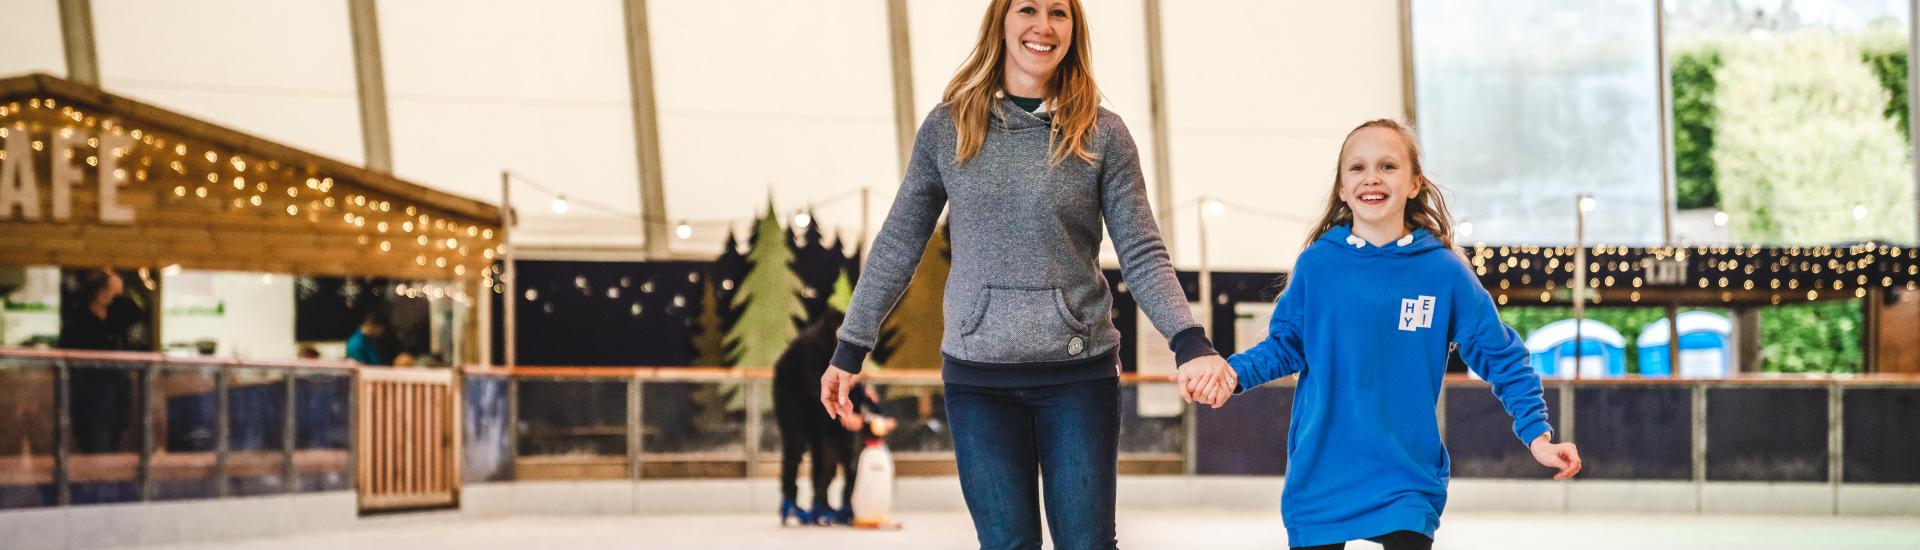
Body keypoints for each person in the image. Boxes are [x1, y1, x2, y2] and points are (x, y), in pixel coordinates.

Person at [819, 1, 1230, 546]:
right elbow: (900, 240)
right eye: (1028, 9)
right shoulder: (950, 127)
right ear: (1002, 22)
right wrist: (851, 346)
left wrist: (1188, 339)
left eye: (1058, 12)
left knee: (1085, 542)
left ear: (1073, 29)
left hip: (1077, 376)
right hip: (978, 378)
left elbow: (1142, 250)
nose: (1043, 26)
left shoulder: (1102, 134)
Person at [1176, 120, 1584, 550]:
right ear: (1341, 188)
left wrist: (1537, 434)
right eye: (1357, 168)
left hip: (1405, 477)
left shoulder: (1443, 271)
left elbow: (1501, 356)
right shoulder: (1319, 265)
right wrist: (1230, 374)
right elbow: (1285, 345)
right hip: (1321, 476)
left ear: (1413, 184)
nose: (1371, 177)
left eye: (1387, 166)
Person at [774, 307, 880, 526]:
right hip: (790, 397)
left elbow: (834, 381)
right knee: (794, 446)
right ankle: (789, 500)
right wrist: (842, 413)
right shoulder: (811, 343)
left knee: (819, 445)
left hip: (812, 398)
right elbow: (817, 386)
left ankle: (819, 501)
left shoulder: (833, 344)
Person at [60, 269, 140, 453]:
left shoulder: (116, 324)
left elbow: (135, 314)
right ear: (101, 294)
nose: (120, 300)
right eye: (117, 295)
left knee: (114, 448)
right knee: (96, 448)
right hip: (91, 402)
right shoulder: (78, 323)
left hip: (118, 399)